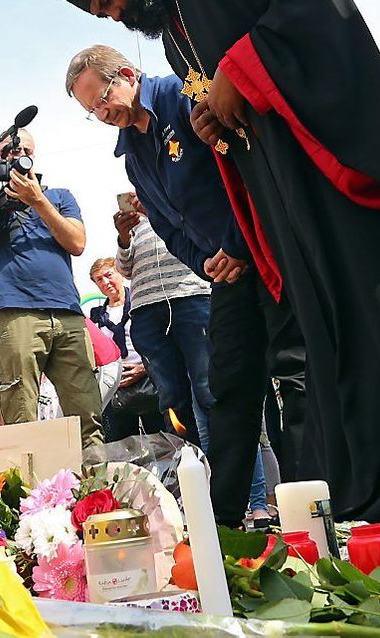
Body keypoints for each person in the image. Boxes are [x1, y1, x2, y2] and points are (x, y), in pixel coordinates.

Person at [66, 0, 380, 522]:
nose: (113, 14)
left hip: (323, 180)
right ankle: (266, 513)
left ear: (125, 76)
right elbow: (179, 210)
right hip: (272, 218)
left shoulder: (172, 92)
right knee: (256, 378)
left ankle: (353, 495)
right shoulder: (171, 53)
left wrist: (239, 73)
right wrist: (213, 124)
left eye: (108, 1)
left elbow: (312, 16)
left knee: (331, 359)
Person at [66, 44, 304, 525]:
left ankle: (313, 503)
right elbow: (170, 226)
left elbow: (246, 168)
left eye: (103, 96)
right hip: (225, 271)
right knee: (228, 388)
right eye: (91, 110)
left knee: (295, 375)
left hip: (267, 251)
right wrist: (209, 261)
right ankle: (226, 520)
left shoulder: (183, 96)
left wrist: (238, 243)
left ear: (128, 74)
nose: (103, 111)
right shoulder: (133, 158)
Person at [0, 126, 104, 452]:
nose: (19, 155)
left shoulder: (58, 196)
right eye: (10, 151)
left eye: (25, 150)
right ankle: (30, 498)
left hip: (67, 312)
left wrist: (37, 199)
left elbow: (77, 242)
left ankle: (99, 491)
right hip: (14, 311)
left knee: (87, 408)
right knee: (20, 412)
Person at [113, 203, 212, 448]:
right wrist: (124, 238)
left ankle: (231, 474)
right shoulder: (137, 223)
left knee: (209, 389)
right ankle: (189, 464)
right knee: (170, 398)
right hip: (146, 311)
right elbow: (124, 269)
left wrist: (158, 211)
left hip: (191, 297)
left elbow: (205, 235)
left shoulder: (176, 201)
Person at [88, 258, 165, 440]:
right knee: (122, 445)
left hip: (149, 382)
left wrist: (143, 368)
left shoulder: (141, 303)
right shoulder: (97, 316)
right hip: (117, 390)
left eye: (108, 275)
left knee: (161, 439)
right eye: (99, 279)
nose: (105, 282)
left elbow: (161, 341)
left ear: (120, 275)